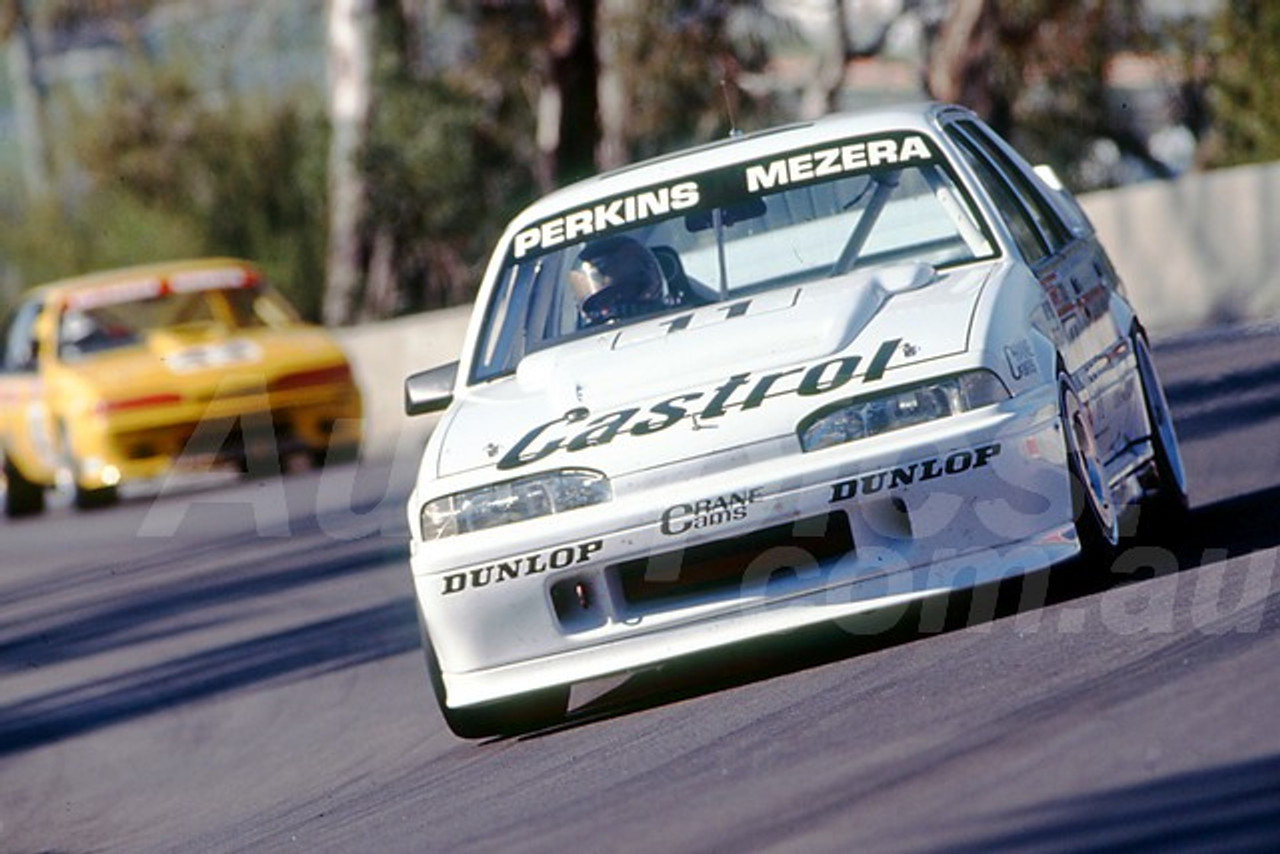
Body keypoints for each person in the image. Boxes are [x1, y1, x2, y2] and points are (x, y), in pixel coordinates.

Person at [569, 235, 668, 327]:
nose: (618, 306)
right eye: (605, 300)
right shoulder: (582, 342)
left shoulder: (676, 321)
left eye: (628, 291)